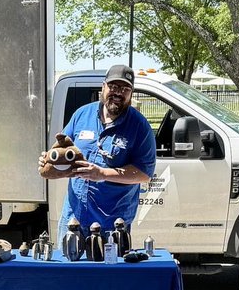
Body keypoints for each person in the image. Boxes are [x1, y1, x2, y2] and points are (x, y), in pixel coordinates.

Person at [37, 64, 156, 233]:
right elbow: (63, 148)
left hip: (112, 223)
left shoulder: (140, 126)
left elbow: (144, 173)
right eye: (113, 86)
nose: (118, 93)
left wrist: (101, 174)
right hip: (74, 218)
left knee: (110, 259)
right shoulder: (82, 114)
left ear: (131, 93)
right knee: (68, 258)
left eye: (125, 89)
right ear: (103, 87)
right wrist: (49, 159)